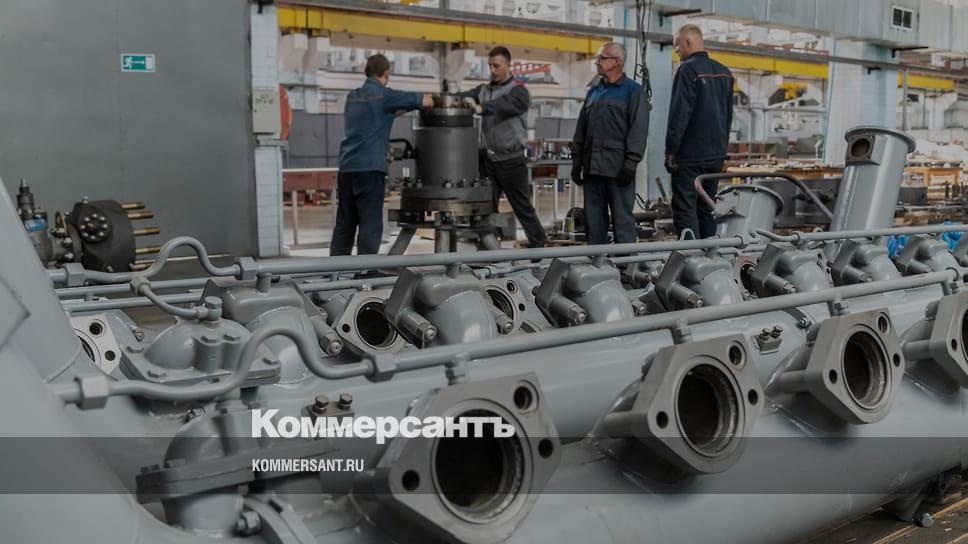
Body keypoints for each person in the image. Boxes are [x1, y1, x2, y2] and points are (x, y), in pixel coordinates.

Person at [331, 54, 433, 256]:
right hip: (370, 169)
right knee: (369, 223)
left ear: (365, 72)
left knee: (345, 223)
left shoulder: (352, 97)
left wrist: (396, 111)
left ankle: (335, 269)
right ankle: (367, 270)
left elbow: (378, 114)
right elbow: (425, 101)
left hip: (347, 168)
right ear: (387, 73)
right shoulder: (385, 96)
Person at [457, 46, 547, 248]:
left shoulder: (518, 91)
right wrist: (450, 99)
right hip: (489, 161)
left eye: (496, 66)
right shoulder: (483, 90)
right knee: (485, 208)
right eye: (490, 65)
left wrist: (481, 107)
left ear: (508, 65)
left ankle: (538, 245)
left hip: (512, 160)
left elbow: (503, 105)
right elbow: (462, 96)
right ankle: (488, 249)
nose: (492, 70)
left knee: (522, 207)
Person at [570, 42, 649, 245]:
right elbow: (581, 129)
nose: (597, 62)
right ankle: (597, 263)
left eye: (602, 58)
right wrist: (577, 161)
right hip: (592, 170)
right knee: (593, 223)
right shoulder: (594, 92)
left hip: (618, 170)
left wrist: (631, 163)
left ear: (617, 62)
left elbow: (638, 130)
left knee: (622, 221)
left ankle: (626, 264)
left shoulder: (633, 92)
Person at [665, 24, 734, 239]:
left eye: (677, 45)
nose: (676, 50)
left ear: (688, 42)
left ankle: (690, 255)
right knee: (707, 207)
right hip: (715, 156)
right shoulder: (725, 72)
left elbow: (679, 113)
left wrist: (671, 151)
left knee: (685, 207)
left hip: (690, 156)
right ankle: (709, 254)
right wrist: (722, 151)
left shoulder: (687, 70)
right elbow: (728, 117)